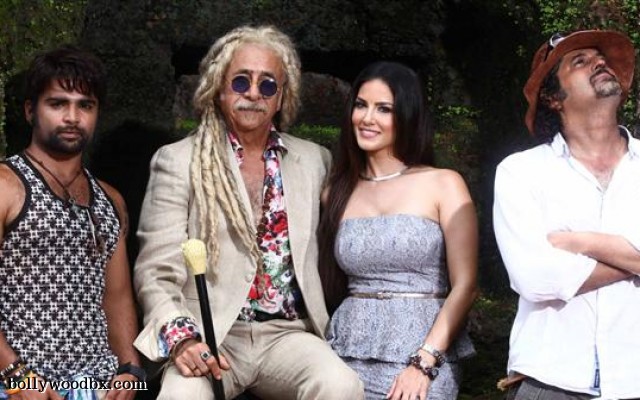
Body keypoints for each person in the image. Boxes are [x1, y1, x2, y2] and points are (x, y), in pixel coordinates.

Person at [133, 25, 363, 400]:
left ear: (281, 97)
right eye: (241, 81)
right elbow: (155, 272)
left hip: (288, 334)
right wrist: (182, 339)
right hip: (210, 334)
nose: (254, 93)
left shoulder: (314, 160)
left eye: (267, 85)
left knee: (341, 385)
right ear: (219, 89)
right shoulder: (178, 161)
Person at [494, 30, 640, 399]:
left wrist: (581, 242)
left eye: (601, 59)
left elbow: (555, 270)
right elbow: (533, 277)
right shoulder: (521, 172)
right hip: (550, 378)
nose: (600, 62)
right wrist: (632, 259)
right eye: (580, 61)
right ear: (552, 98)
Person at [319, 61, 478, 400]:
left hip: (424, 353)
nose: (367, 118)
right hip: (346, 350)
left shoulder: (443, 183)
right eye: (361, 105)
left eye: (384, 109)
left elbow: (466, 286)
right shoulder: (335, 192)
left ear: (407, 115)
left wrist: (424, 362)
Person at [0, 47, 143, 399]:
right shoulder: (6, 185)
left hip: (95, 383)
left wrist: (130, 368)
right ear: (30, 110)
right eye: (58, 103)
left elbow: (117, 297)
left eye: (85, 105)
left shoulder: (111, 199)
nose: (72, 117)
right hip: (20, 381)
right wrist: (16, 376)